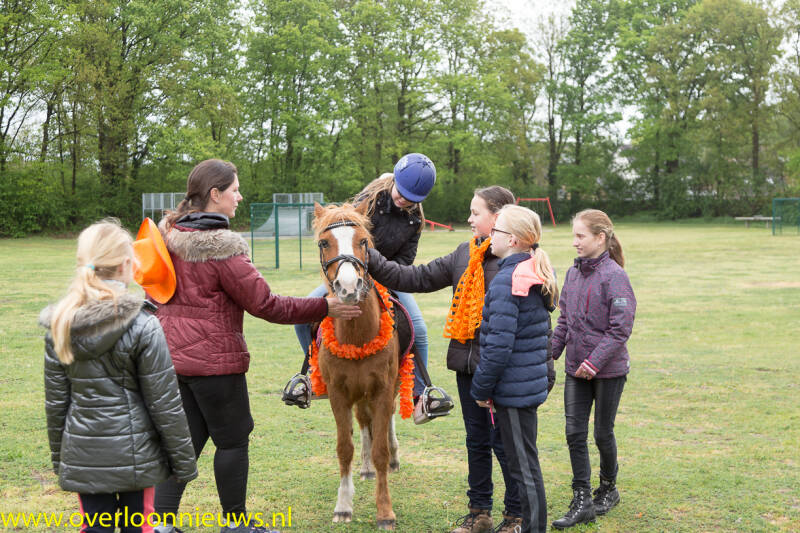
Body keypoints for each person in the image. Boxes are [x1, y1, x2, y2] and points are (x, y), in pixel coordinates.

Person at [152, 159, 361, 533]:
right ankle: (235, 525)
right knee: (232, 441)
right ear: (215, 195)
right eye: (234, 189)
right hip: (216, 365)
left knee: (183, 444)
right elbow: (267, 304)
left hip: (173, 360)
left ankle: (160, 526)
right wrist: (325, 306)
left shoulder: (167, 238)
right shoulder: (223, 249)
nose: (239, 196)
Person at [366, 186, 552, 533]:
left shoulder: (517, 266)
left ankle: (515, 516)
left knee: (505, 445)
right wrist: (370, 256)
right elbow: (414, 277)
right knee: (476, 440)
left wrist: (544, 369)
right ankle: (478, 512)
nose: (469, 219)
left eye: (475, 212)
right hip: (467, 368)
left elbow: (536, 329)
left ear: (497, 218)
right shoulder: (463, 255)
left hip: (500, 373)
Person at [40, 219, 198, 533]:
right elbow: (165, 404)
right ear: (127, 264)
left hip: (84, 452)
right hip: (137, 454)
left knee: (96, 528)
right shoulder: (143, 324)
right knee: (137, 528)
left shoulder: (59, 325)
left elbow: (56, 406)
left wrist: (64, 461)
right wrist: (183, 462)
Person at [283, 153, 453, 424]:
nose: (404, 200)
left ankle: (423, 394)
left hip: (389, 278)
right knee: (304, 314)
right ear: (394, 180)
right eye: (402, 193)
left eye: (412, 198)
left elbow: (406, 260)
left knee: (419, 329)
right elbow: (344, 232)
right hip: (350, 273)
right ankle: (313, 377)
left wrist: (384, 274)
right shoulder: (370, 200)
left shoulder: (414, 220)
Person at [470, 205, 559, 533]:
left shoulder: (509, 279)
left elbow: (498, 347)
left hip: (514, 392)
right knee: (525, 464)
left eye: (497, 231)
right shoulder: (525, 272)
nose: (490, 236)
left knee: (524, 468)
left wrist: (480, 389)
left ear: (515, 240)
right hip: (521, 388)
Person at [550, 209, 636, 530]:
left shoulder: (615, 276)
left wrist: (595, 361)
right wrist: (550, 355)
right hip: (576, 369)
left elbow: (620, 328)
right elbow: (564, 322)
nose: (574, 242)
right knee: (574, 432)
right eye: (573, 235)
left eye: (580, 236)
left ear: (600, 238)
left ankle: (609, 489)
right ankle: (582, 498)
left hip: (608, 371)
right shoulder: (572, 274)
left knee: (602, 432)